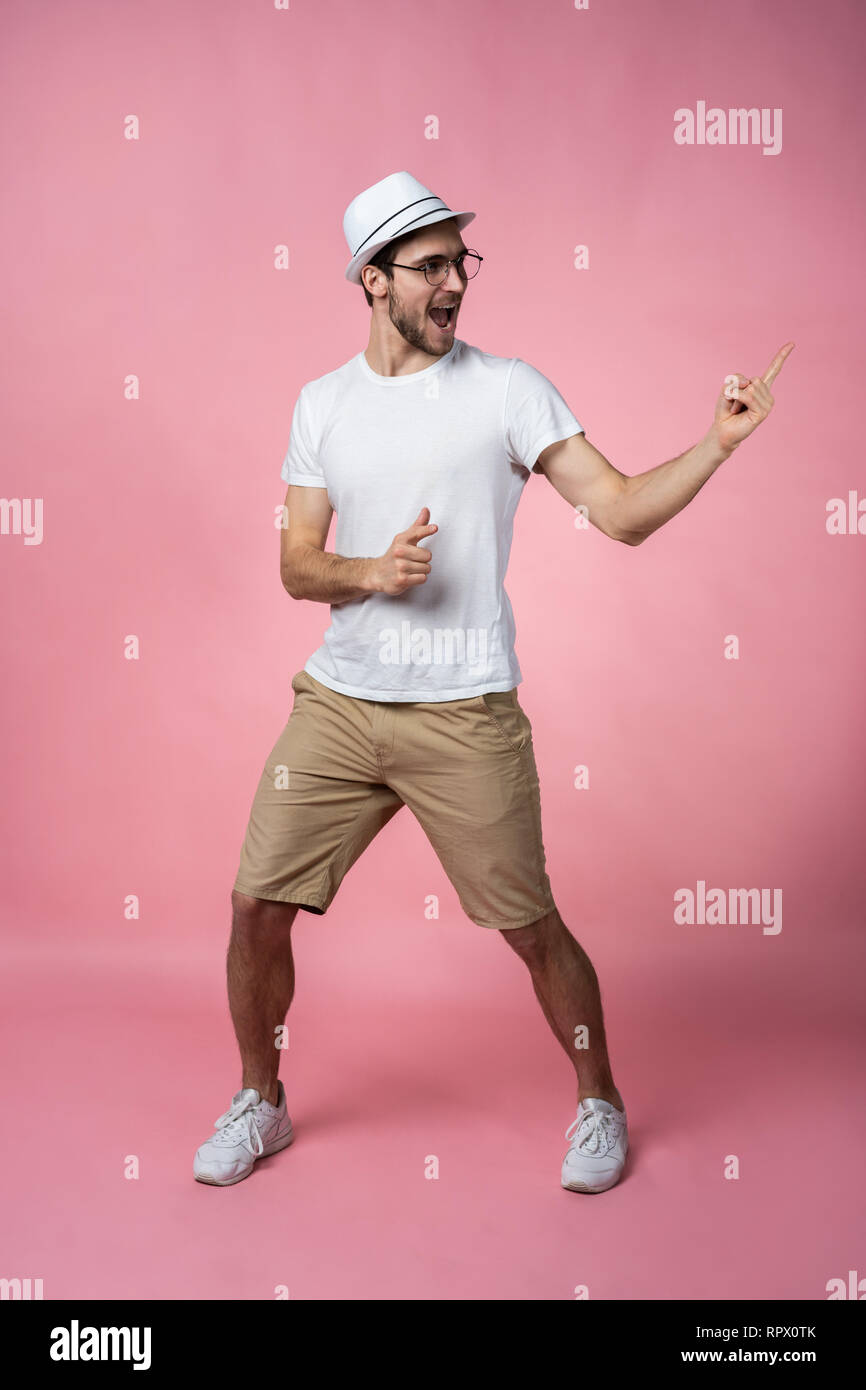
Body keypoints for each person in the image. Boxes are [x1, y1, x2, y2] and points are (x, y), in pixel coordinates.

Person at [193, 170, 792, 1193]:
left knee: (529, 926)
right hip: (338, 706)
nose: (454, 285)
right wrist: (370, 571)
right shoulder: (321, 404)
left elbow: (618, 511)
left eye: (459, 263)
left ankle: (598, 1101)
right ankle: (263, 1100)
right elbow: (298, 562)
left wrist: (715, 445)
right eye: (428, 267)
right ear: (371, 280)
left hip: (463, 713)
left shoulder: (509, 389)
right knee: (255, 905)